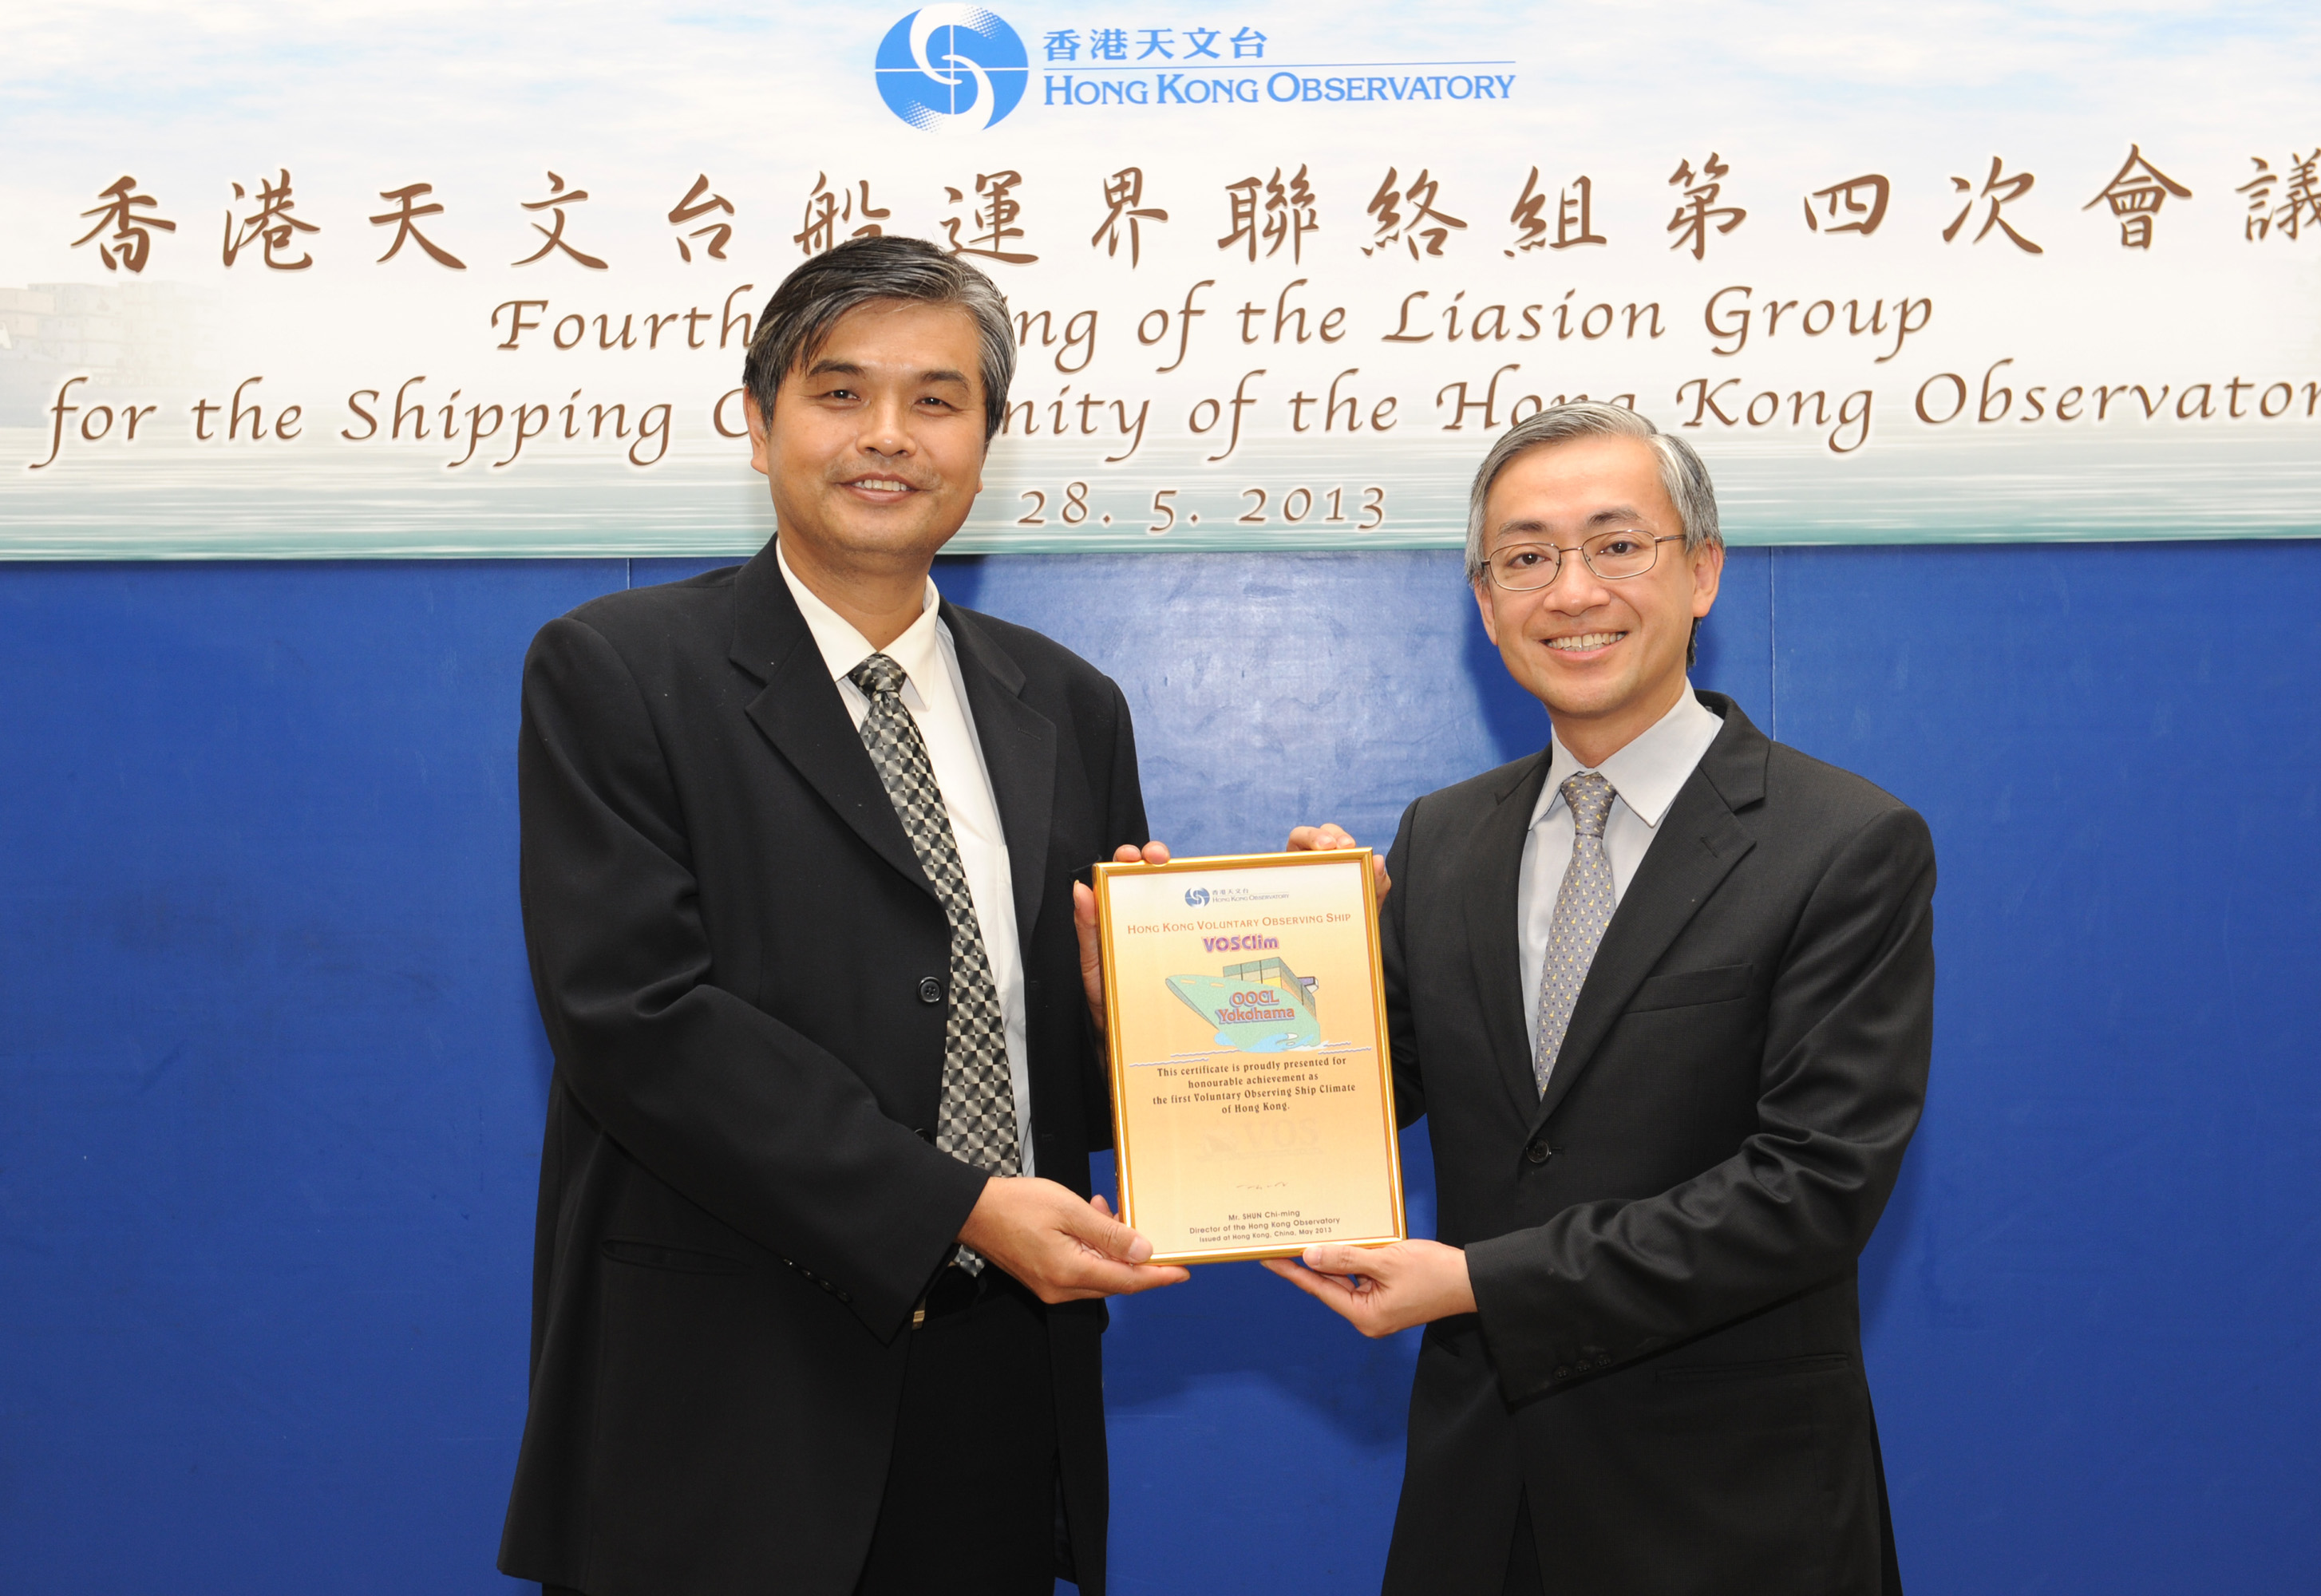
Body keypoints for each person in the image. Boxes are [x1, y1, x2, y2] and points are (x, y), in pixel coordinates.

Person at [498, 235, 1188, 1596]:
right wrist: (953, 1204)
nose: (888, 437)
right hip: (727, 1384)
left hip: (1001, 1379)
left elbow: (1076, 1068)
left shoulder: (1068, 703)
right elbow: (635, 1019)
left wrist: (1183, 1012)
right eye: (838, 393)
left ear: (987, 441)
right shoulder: (617, 671)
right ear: (758, 426)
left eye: (937, 400)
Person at [1269, 403, 1935, 1594]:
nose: (1570, 591)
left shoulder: (1842, 843)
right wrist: (1192, 999)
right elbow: (1364, 1096)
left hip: (1731, 1513)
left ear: (1701, 572)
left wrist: (1481, 1283)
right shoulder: (1441, 839)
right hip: (1481, 1504)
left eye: (1617, 544)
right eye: (1525, 557)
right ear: (1484, 603)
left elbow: (1813, 1188)